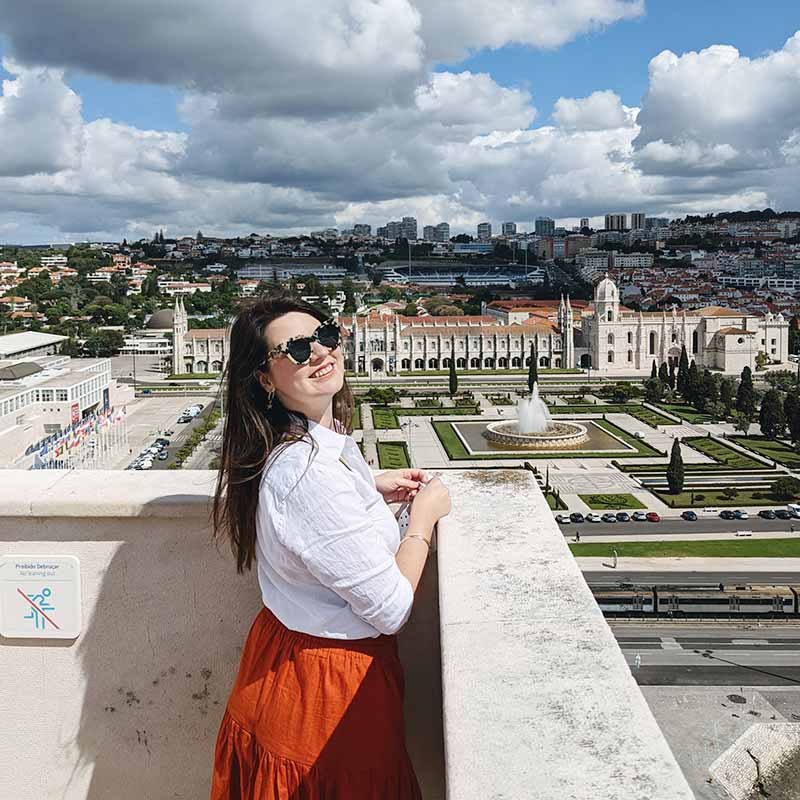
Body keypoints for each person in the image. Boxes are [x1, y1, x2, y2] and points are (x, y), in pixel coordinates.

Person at [209, 294, 451, 799]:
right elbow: (390, 607)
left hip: (294, 663)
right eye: (296, 349)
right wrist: (421, 519)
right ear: (264, 378)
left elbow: (317, 523)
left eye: (325, 336)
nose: (319, 352)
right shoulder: (303, 473)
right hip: (323, 689)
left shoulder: (305, 443)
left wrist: (367, 487)